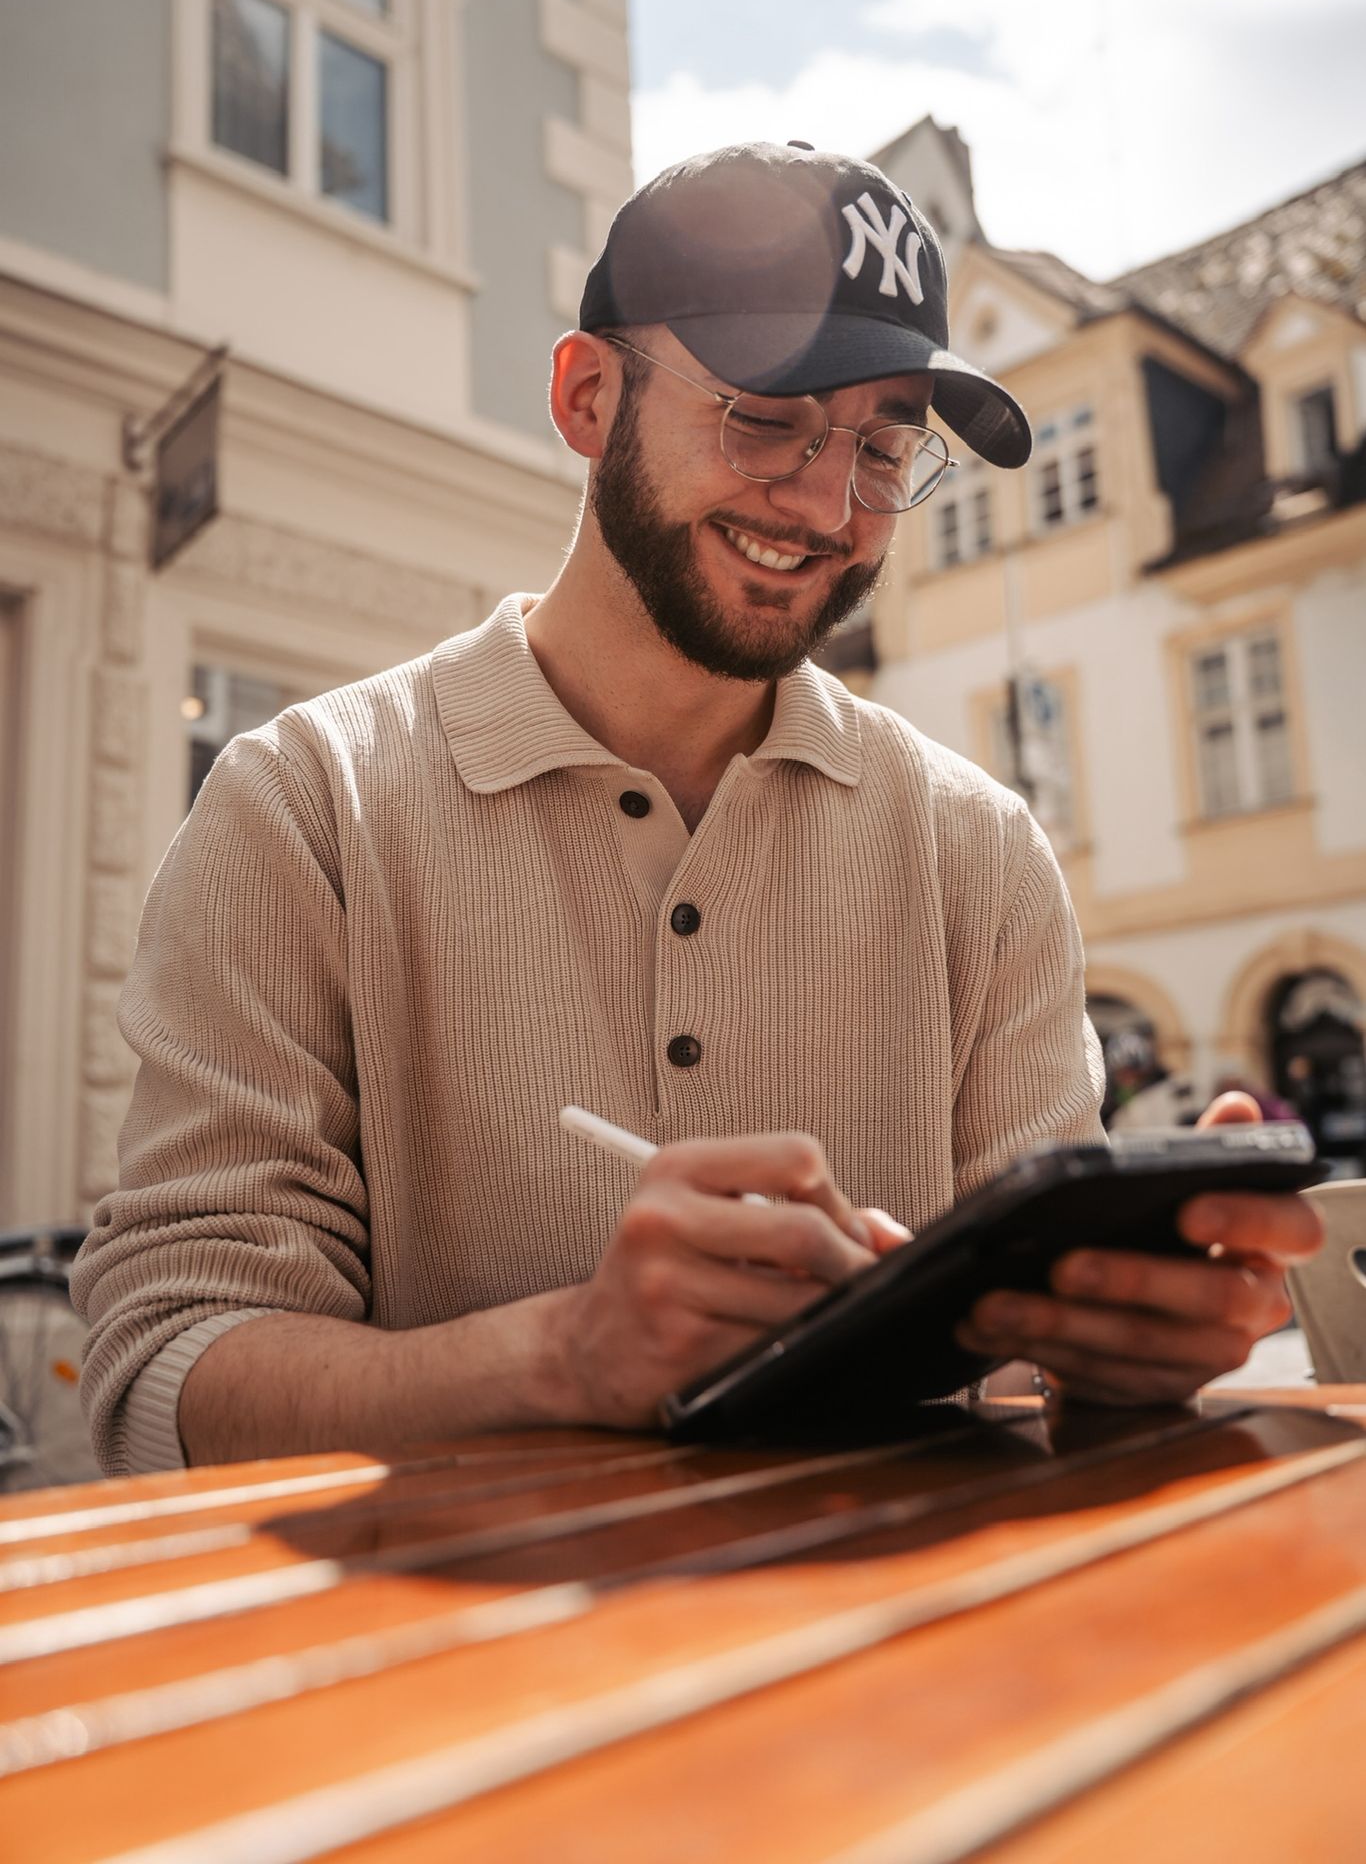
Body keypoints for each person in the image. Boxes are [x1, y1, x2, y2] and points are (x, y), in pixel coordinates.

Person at [73, 142, 1321, 1473]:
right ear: (588, 395)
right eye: (766, 416)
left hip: (899, 1655)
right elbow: (166, 1374)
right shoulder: (305, 808)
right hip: (453, 1663)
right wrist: (564, 1356)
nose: (831, 504)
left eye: (886, 443)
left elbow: (1024, 1373)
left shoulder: (979, 850)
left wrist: (1124, 1355)